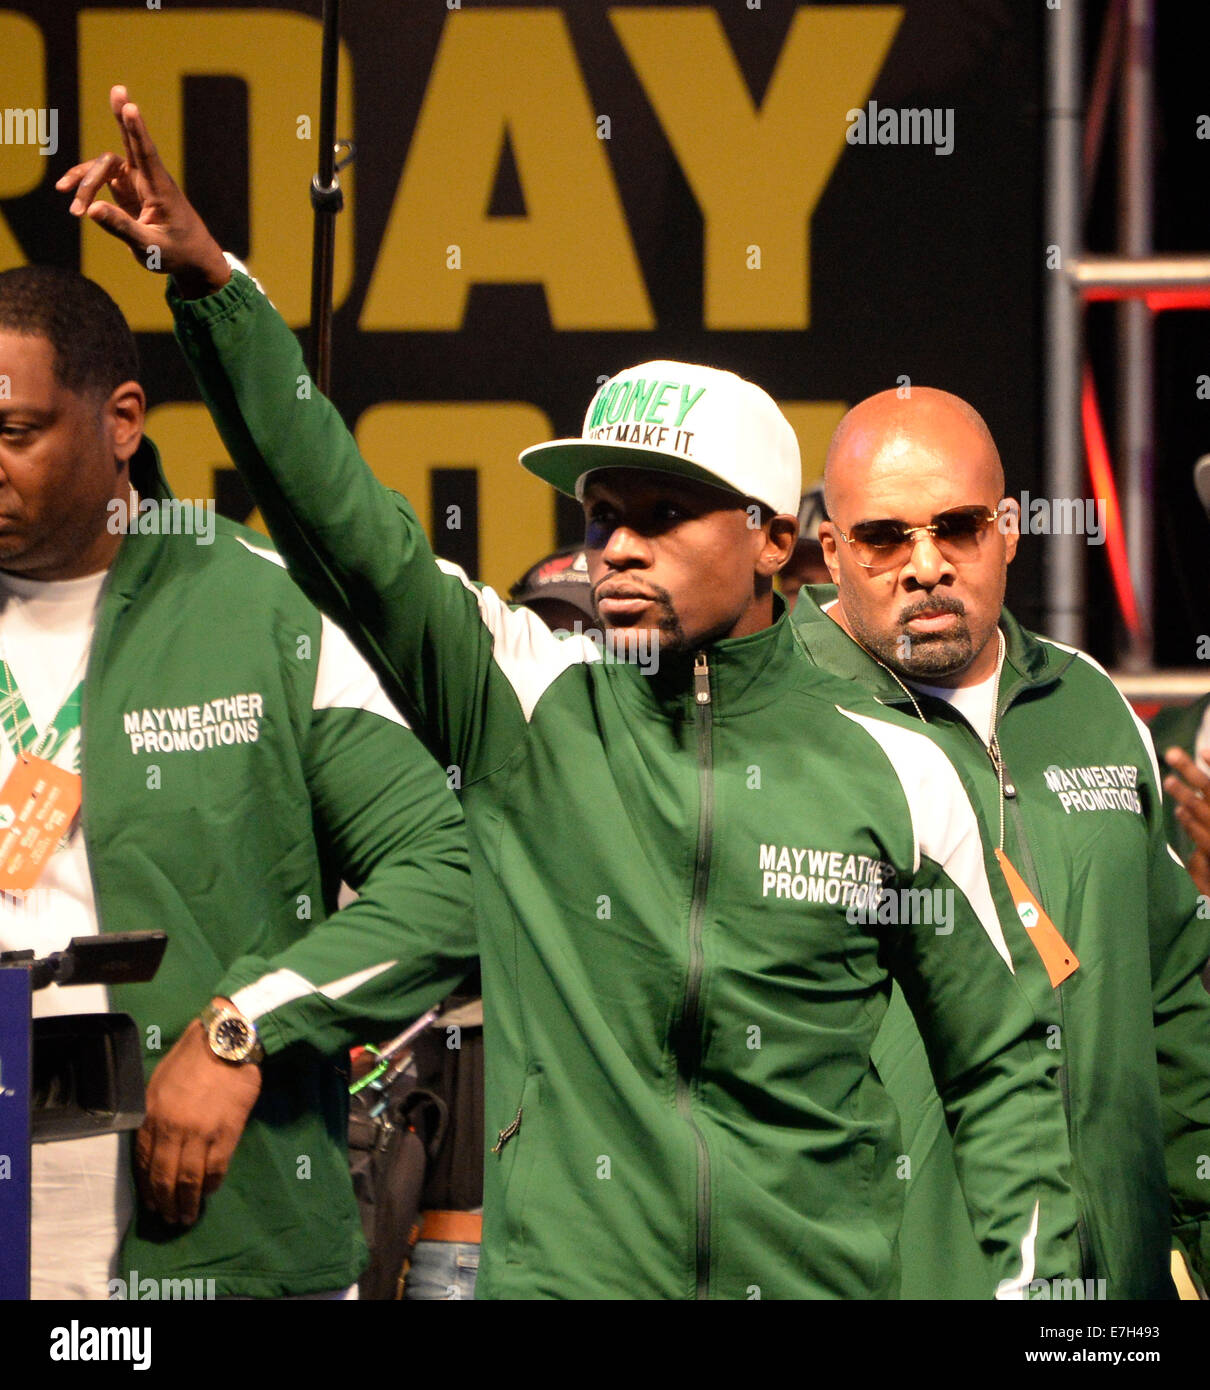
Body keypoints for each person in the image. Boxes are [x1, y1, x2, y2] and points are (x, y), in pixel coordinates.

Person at [60, 87, 1088, 1299]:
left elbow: (1001, 1073)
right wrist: (212, 289)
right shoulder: (525, 703)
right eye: (600, 519)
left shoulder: (908, 773)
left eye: (663, 515)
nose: (619, 550)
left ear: (771, 541)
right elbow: (344, 520)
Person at [0, 264, 475, 1299]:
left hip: (215, 1229)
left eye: (14, 432)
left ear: (121, 419)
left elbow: (451, 875)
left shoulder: (266, 609)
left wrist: (241, 1026)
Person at [791, 385, 1210, 1298]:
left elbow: (1176, 1000)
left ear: (1010, 529)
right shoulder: (770, 723)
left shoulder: (1091, 703)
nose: (926, 564)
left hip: (1110, 1286)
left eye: (959, 527)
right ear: (831, 550)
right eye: (885, 537)